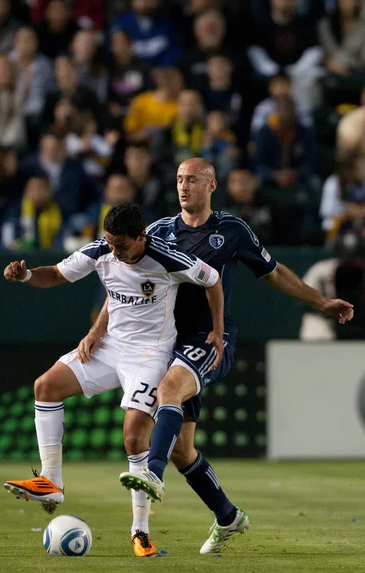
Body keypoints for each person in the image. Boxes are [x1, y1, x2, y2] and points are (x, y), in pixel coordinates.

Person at [114, 157, 353, 554]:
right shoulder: (156, 232)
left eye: (191, 179)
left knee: (168, 388)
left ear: (211, 185)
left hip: (209, 339)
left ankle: (151, 475)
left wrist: (322, 301)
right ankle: (228, 517)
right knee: (181, 449)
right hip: (166, 341)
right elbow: (124, 276)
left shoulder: (231, 230)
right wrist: (97, 330)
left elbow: (274, 272)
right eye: (178, 179)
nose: (183, 186)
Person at [2, 202, 223, 559]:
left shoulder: (168, 259)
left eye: (121, 244)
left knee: (134, 436)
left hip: (149, 354)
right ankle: (51, 481)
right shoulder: (101, 250)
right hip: (110, 348)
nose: (114, 250)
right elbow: (56, 275)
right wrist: (27, 275)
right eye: (110, 242)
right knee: (45, 386)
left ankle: (140, 532)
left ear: (141, 238)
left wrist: (218, 329)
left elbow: (212, 279)